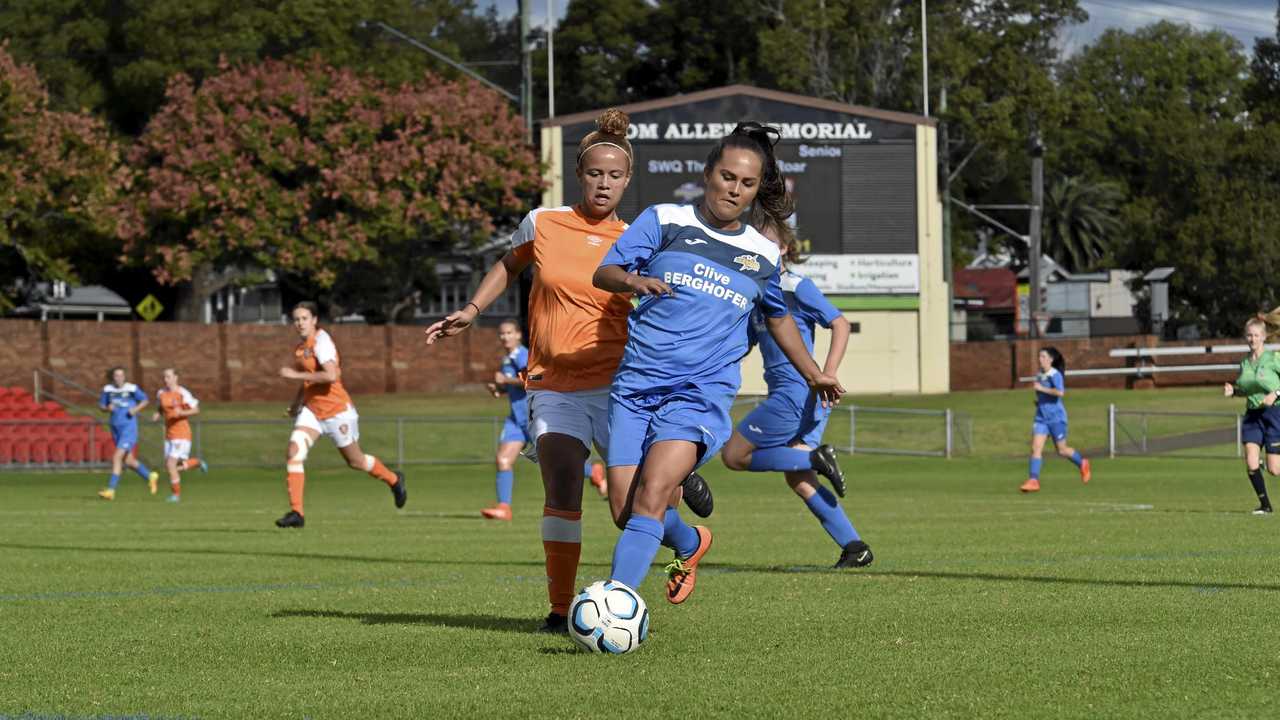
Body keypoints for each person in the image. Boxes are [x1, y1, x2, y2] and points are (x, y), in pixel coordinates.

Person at [426, 109, 709, 632]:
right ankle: (560, 611)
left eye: (615, 175)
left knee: (626, 512)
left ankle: (689, 541)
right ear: (580, 176)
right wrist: (471, 311)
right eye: (595, 173)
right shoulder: (543, 222)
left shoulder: (640, 238)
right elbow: (509, 264)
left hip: (620, 387)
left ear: (627, 181)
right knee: (561, 487)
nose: (604, 183)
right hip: (553, 381)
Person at [593, 122, 844, 608]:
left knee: (652, 495)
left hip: (699, 395)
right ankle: (690, 543)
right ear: (708, 173)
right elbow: (604, 272)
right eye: (727, 176)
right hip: (636, 387)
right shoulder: (663, 219)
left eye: (747, 183)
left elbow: (778, 319)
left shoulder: (763, 254)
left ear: (756, 191)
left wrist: (815, 373)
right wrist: (631, 282)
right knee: (626, 511)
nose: (734, 189)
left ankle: (616, 605)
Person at [717, 217, 872, 568]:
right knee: (800, 481)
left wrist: (828, 373)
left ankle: (814, 458)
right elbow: (741, 346)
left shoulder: (795, 286)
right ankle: (854, 547)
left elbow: (840, 323)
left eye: (769, 242)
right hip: (803, 398)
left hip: (797, 394)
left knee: (734, 456)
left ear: (785, 248)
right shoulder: (758, 293)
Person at [275, 302, 406, 528]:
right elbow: (309, 379)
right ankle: (297, 513)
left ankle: (394, 480)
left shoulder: (322, 342)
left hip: (337, 412)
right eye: (296, 319)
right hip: (312, 411)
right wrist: (296, 404)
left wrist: (293, 375)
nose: (299, 323)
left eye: (304, 318)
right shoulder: (301, 348)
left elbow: (330, 375)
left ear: (314, 320)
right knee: (294, 452)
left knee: (356, 461)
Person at [480, 320, 605, 521]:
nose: (505, 337)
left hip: (533, 418)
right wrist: (498, 388)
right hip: (516, 420)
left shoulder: (524, 356)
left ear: (519, 335)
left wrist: (506, 381)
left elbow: (535, 379)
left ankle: (592, 471)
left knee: (555, 461)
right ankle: (504, 508)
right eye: (502, 334)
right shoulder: (507, 360)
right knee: (503, 460)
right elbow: (513, 386)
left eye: (509, 333)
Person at [1223, 314, 1280, 514]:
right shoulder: (1245, 364)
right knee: (1251, 462)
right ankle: (1265, 506)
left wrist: (1276, 393)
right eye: (1249, 336)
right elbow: (1245, 388)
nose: (1252, 339)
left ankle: (1270, 462)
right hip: (1253, 416)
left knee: (1275, 470)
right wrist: (1234, 391)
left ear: (1264, 337)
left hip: (1274, 415)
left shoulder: (1274, 358)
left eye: (1256, 335)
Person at [1020, 347, 1091, 493]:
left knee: (1062, 450)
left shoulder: (1055, 374)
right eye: (1039, 356)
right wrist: (1039, 402)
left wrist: (1042, 389)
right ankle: (1034, 480)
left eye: (1043, 356)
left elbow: (1060, 392)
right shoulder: (1039, 375)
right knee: (1035, 448)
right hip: (1041, 418)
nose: (1040, 359)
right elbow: (1041, 394)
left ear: (1051, 359)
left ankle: (1082, 462)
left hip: (1056, 418)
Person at [97, 366, 159, 500]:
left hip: (128, 429)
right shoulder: (108, 390)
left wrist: (135, 410)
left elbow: (145, 400)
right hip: (115, 428)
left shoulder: (131, 388)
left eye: (121, 375)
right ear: (113, 377)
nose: (119, 378)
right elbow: (101, 406)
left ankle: (111, 490)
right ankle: (150, 476)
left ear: (125, 377)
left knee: (117, 457)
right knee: (129, 461)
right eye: (116, 376)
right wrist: (107, 408)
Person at [151, 368, 207, 503]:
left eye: (169, 377)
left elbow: (196, 409)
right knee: (173, 466)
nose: (166, 380)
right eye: (164, 377)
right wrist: (158, 414)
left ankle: (176, 495)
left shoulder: (183, 393)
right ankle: (197, 462)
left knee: (171, 465)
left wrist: (182, 413)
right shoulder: (161, 393)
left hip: (182, 433)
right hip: (169, 434)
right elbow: (161, 406)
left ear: (176, 378)